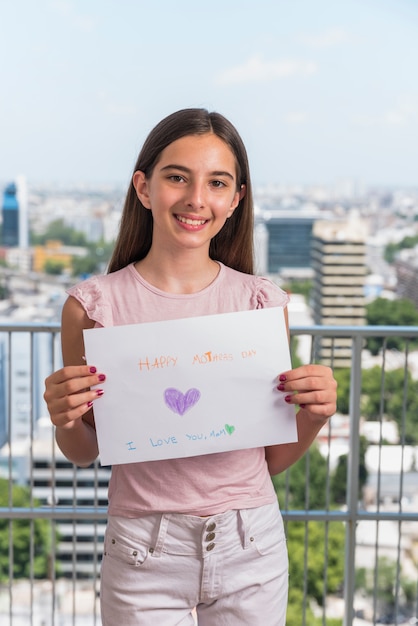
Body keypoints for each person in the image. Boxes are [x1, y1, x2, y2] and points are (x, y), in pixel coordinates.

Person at [44, 108, 337, 626]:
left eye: (217, 183)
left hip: (253, 545)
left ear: (236, 199)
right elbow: (86, 451)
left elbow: (266, 460)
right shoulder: (92, 309)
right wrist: (65, 418)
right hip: (143, 553)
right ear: (143, 187)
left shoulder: (262, 305)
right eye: (177, 176)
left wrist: (313, 416)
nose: (196, 198)